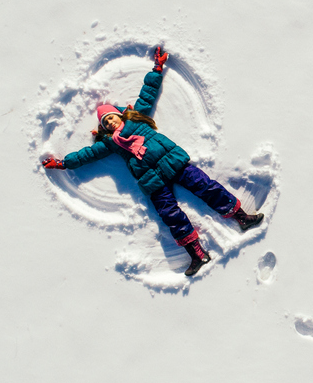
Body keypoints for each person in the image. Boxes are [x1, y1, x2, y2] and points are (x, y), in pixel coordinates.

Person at [40, 45, 263, 276]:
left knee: (206, 187)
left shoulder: (139, 118)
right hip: (152, 179)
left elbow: (148, 92)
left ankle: (241, 217)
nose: (110, 123)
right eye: (106, 124)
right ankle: (197, 254)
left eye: (111, 118)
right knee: (170, 214)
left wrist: (157, 67)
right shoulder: (110, 143)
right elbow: (87, 154)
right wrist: (63, 163)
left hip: (172, 162)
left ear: (119, 114)